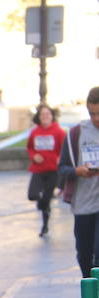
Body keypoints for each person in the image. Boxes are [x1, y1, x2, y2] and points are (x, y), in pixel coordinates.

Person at [59, 86, 99, 277]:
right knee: (84, 255)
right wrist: (77, 171)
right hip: (83, 204)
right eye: (92, 113)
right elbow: (62, 168)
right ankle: (89, 292)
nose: (96, 118)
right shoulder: (76, 133)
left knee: (98, 255)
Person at [27, 104, 66, 237]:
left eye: (48, 114)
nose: (45, 117)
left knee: (46, 200)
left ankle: (45, 226)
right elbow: (30, 148)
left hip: (53, 170)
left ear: (52, 116)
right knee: (33, 195)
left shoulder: (59, 132)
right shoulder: (34, 132)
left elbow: (65, 149)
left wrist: (60, 158)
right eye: (42, 115)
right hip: (38, 169)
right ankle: (42, 202)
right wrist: (34, 156)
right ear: (38, 117)